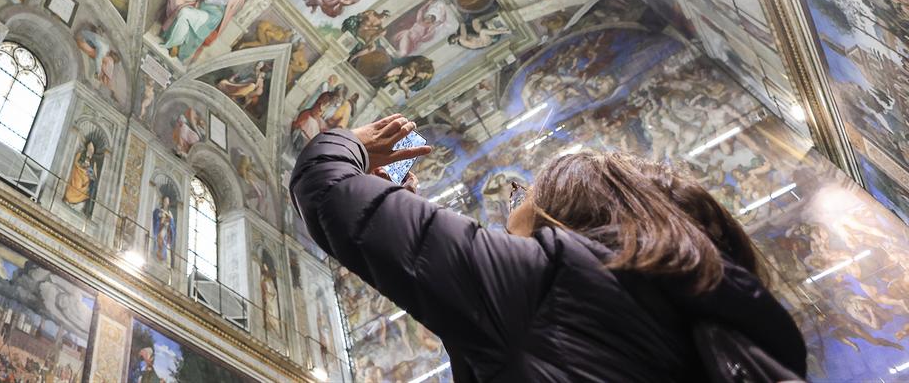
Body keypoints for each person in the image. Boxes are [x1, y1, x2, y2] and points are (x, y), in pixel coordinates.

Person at [290, 114, 808, 382]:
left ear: (567, 208)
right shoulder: (698, 308)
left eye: (529, 188)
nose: (516, 197)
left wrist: (349, 142)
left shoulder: (549, 278)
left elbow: (330, 191)